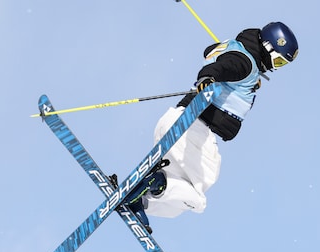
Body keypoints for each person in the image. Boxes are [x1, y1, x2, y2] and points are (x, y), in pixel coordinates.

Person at [124, 21, 299, 232]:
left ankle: (142, 199)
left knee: (180, 197)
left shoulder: (241, 52)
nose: (274, 67)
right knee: (199, 198)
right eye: (278, 61)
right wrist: (208, 78)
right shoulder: (245, 63)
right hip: (192, 131)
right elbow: (225, 66)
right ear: (268, 47)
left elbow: (212, 52)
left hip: (175, 122)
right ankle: (156, 184)